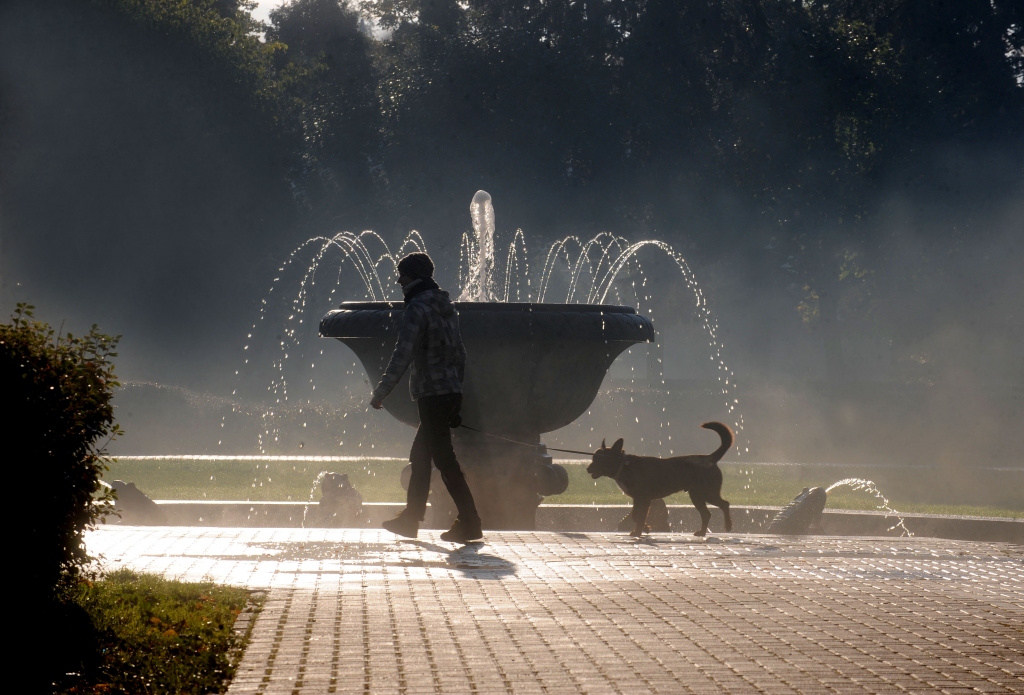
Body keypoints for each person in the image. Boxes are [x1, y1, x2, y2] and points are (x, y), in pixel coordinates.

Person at [371, 252, 482, 543]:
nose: (398, 280)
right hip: (448, 392)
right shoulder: (446, 306)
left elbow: (403, 352)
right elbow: (461, 352)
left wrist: (382, 391)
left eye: (402, 275)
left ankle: (470, 522)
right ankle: (411, 518)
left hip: (432, 394)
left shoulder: (417, 308)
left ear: (415, 277)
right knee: (421, 457)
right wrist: (457, 394)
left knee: (445, 462)